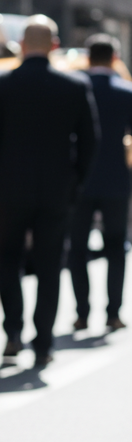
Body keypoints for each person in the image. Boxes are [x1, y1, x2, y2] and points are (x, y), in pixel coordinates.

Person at [0, 15, 97, 368]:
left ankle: (13, 333)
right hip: (56, 192)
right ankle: (43, 342)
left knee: (8, 261)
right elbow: (90, 143)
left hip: (8, 190)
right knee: (50, 265)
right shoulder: (74, 86)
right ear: (54, 46)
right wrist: (76, 183)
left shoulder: (1, 85)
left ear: (22, 46)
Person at [68, 34, 132, 332]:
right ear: (114, 58)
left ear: (88, 58)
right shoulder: (126, 92)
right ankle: (113, 313)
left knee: (77, 248)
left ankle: (82, 312)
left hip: (77, 181)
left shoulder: (75, 87)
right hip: (116, 179)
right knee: (116, 246)